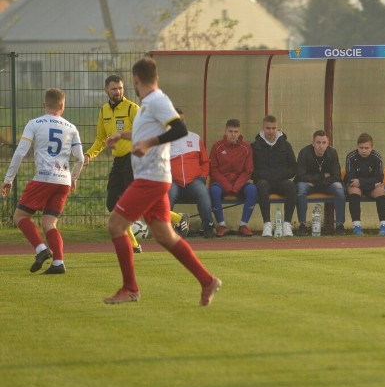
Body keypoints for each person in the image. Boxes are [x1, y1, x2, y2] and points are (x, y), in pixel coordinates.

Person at [103, 56, 220, 305]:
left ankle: (130, 288)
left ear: (135, 80)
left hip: (151, 177)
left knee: (115, 225)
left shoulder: (156, 100)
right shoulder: (148, 103)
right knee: (165, 236)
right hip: (154, 177)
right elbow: (148, 131)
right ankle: (207, 280)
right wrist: (123, 135)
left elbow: (179, 129)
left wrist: (147, 143)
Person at [84, 75, 188, 253]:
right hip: (118, 162)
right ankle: (177, 218)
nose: (118, 91)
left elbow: (146, 131)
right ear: (106, 91)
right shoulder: (103, 111)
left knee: (133, 204)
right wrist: (88, 155)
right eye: (114, 89)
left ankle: (134, 245)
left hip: (134, 160)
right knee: (112, 203)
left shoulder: (132, 108)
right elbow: (101, 140)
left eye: (120, 88)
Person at [1, 89, 84, 274]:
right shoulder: (71, 127)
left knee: (20, 217)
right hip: (63, 181)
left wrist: (8, 179)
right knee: (49, 223)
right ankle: (58, 263)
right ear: (63, 106)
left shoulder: (34, 123)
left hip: (44, 178)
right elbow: (80, 158)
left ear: (44, 105)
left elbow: (20, 152)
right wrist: (73, 178)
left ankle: (41, 249)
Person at [168, 109, 214, 238]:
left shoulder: (195, 138)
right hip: (173, 182)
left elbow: (205, 162)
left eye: (182, 120)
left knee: (202, 191)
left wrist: (203, 178)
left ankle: (208, 226)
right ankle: (166, 227)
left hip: (193, 181)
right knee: (168, 193)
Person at [209, 119, 257, 237]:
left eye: (236, 131)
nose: (233, 134)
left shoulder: (246, 147)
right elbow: (213, 169)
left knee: (252, 189)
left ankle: (243, 225)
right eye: (230, 131)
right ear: (225, 131)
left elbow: (248, 170)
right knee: (213, 190)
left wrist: (235, 187)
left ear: (239, 132)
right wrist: (227, 185)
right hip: (221, 183)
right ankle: (221, 225)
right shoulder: (216, 147)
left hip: (239, 184)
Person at [251, 114, 297, 237]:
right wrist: (263, 175)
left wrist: (279, 175)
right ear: (262, 129)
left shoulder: (286, 145)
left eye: (273, 128)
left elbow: (293, 168)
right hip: (263, 182)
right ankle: (267, 224)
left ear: (277, 128)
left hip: (281, 181)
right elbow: (251, 170)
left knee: (291, 186)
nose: (271, 131)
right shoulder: (254, 146)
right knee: (261, 185)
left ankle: (287, 224)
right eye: (268, 128)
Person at [295, 130, 345, 236]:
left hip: (324, 184)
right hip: (308, 184)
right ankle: (302, 225)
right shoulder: (304, 152)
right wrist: (322, 176)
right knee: (301, 189)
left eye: (323, 142)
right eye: (318, 142)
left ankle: (340, 225)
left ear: (328, 143)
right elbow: (300, 175)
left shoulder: (332, 153)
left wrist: (318, 183)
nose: (321, 146)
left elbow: (336, 176)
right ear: (313, 143)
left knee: (339, 188)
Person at [345, 132, 385, 236]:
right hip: (358, 187)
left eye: (366, 148)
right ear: (357, 147)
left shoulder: (377, 157)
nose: (363, 150)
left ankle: (383, 226)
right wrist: (371, 183)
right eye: (361, 148)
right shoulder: (351, 157)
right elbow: (351, 179)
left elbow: (379, 178)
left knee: (380, 190)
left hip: (371, 187)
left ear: (371, 147)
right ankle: (356, 226)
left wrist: (361, 182)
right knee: (353, 189)